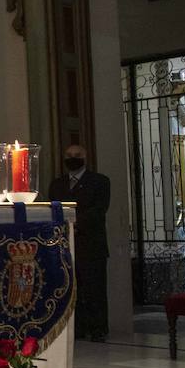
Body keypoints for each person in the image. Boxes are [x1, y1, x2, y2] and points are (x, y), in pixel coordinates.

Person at [47, 143, 111, 341]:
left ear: (85, 157)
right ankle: (78, 328)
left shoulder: (100, 182)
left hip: (91, 245)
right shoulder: (57, 184)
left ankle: (98, 329)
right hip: (65, 245)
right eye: (69, 154)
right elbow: (53, 210)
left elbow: (99, 210)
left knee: (94, 289)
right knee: (71, 289)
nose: (72, 157)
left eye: (77, 154)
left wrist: (74, 223)